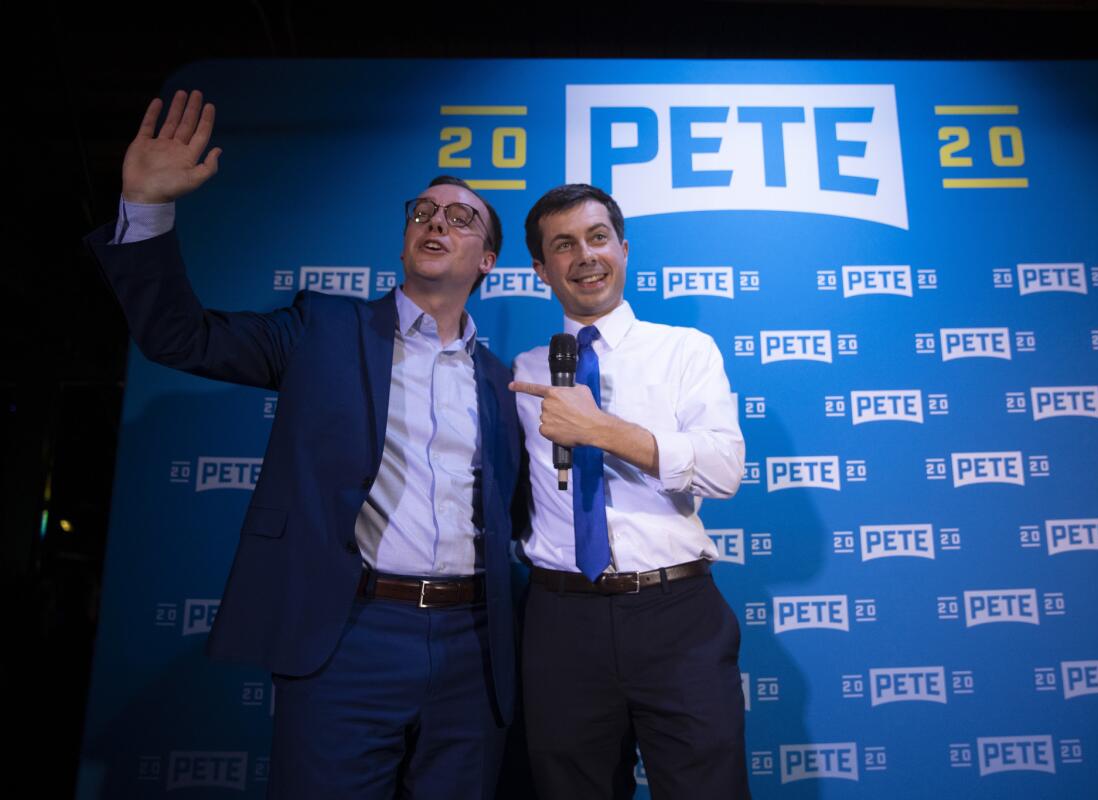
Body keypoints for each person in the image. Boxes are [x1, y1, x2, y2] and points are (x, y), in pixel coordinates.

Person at [86, 89, 523, 799]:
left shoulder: (505, 385)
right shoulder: (320, 329)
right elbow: (179, 336)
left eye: (460, 217)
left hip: (473, 652)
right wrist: (146, 208)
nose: (436, 221)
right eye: (423, 212)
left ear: (488, 261)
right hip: (347, 638)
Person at [509, 184, 751, 799]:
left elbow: (723, 470)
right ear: (541, 269)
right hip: (560, 618)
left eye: (597, 238)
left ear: (623, 247)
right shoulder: (521, 373)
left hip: (675, 614)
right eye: (563, 246)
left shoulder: (684, 351)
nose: (584, 256)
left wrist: (604, 432)